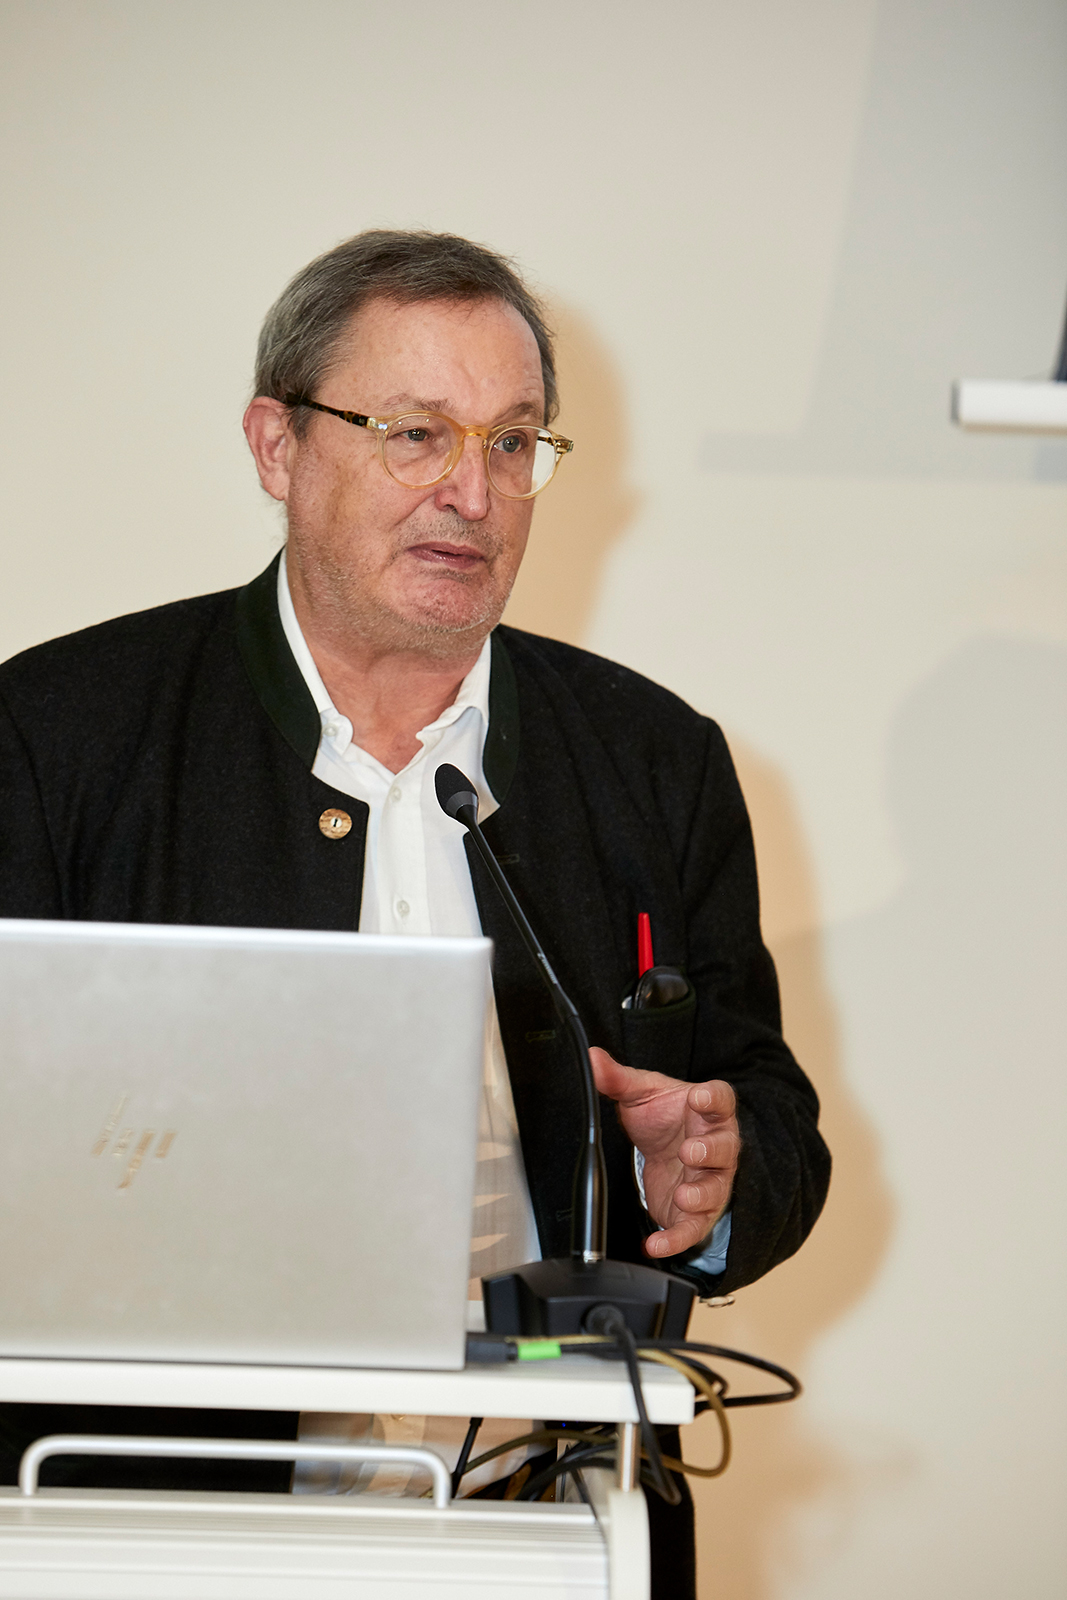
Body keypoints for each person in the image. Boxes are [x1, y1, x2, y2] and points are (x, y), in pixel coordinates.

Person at [0, 230, 830, 1596]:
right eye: (415, 434)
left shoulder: (652, 761)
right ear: (277, 446)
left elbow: (770, 1115)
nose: (472, 492)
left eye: (513, 442)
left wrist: (714, 1178)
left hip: (549, 1521)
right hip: (152, 1518)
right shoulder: (58, 737)